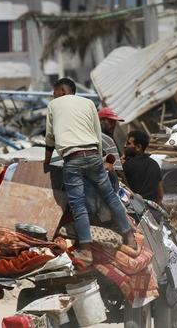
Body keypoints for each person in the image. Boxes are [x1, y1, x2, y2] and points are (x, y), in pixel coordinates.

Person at [44, 78, 136, 264]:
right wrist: (99, 158)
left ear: (62, 90)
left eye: (54, 93)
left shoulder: (53, 105)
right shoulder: (88, 103)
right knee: (111, 196)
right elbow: (97, 134)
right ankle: (130, 238)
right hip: (94, 154)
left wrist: (47, 163)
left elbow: (50, 138)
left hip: (73, 158)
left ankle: (86, 251)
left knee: (78, 206)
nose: (53, 97)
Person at [122, 129, 164, 204]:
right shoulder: (154, 164)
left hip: (133, 209)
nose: (125, 146)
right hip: (151, 209)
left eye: (128, 143)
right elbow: (160, 195)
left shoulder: (127, 165)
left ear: (138, 147)